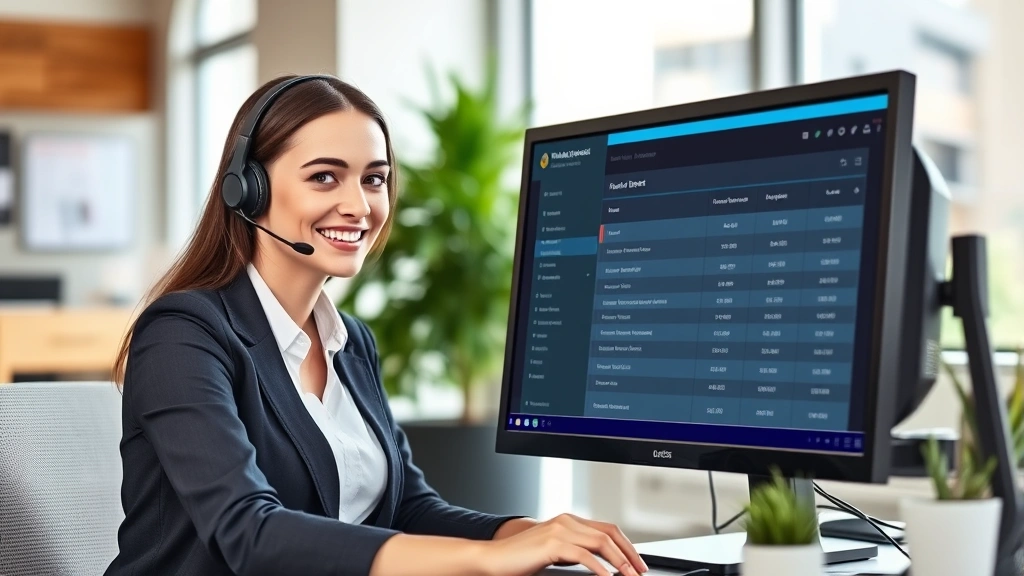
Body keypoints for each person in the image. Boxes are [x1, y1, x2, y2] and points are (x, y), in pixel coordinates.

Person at [104, 74, 649, 576]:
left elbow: (408, 508)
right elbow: (248, 533)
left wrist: (529, 533)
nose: (358, 205)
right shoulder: (183, 335)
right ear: (248, 189)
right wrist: (488, 561)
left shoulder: (350, 342)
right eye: (324, 177)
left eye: (374, 179)